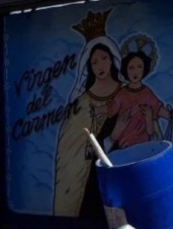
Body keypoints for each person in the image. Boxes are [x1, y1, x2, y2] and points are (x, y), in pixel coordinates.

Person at [53, 10, 124, 218]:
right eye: (94, 62)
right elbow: (69, 147)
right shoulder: (82, 101)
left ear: (112, 59)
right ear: (89, 67)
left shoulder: (125, 93)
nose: (100, 65)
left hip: (119, 166)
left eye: (103, 58)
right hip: (90, 175)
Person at [103, 50, 173, 152]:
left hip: (144, 145)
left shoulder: (147, 93)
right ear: (126, 70)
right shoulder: (122, 94)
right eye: (131, 68)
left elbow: (157, 108)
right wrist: (96, 109)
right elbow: (111, 108)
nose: (135, 71)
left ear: (144, 70)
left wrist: (168, 114)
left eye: (139, 67)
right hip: (125, 146)